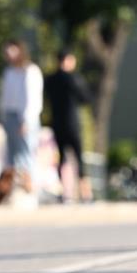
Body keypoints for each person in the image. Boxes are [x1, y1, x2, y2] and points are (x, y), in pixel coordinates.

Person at [44, 50, 93, 202]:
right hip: (72, 123)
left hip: (56, 123)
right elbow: (85, 98)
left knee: (61, 158)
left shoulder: (50, 80)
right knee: (78, 158)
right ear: (68, 60)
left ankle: (63, 193)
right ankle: (85, 193)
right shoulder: (73, 78)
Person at [0, 39, 43, 189]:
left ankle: (28, 186)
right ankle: (10, 189)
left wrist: (27, 120)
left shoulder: (30, 70)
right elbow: (5, 97)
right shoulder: (9, 72)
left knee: (26, 152)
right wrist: (2, 116)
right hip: (10, 116)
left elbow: (32, 98)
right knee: (11, 155)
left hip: (24, 117)